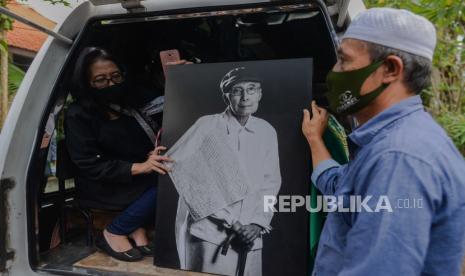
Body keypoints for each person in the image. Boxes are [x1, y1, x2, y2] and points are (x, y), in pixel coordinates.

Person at [301, 8, 465, 275]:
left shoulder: (399, 157)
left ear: (389, 69)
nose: (334, 71)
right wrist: (315, 139)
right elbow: (341, 189)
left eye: (344, 60)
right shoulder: (393, 143)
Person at [65, 47, 173, 262]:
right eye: (101, 80)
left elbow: (166, 102)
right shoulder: (78, 114)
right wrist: (141, 167)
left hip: (134, 177)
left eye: (116, 76)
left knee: (177, 172)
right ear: (87, 83)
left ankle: (134, 226)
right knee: (168, 184)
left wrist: (180, 77)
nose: (111, 84)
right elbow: (89, 164)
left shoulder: (130, 101)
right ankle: (115, 230)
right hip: (104, 184)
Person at [173, 66, 282, 276]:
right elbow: (184, 173)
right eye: (237, 90)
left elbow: (271, 182)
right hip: (208, 233)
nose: (245, 97)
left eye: (251, 89)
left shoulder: (266, 131)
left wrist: (258, 223)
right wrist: (231, 221)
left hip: (250, 233)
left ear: (260, 93)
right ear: (226, 96)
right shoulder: (207, 125)